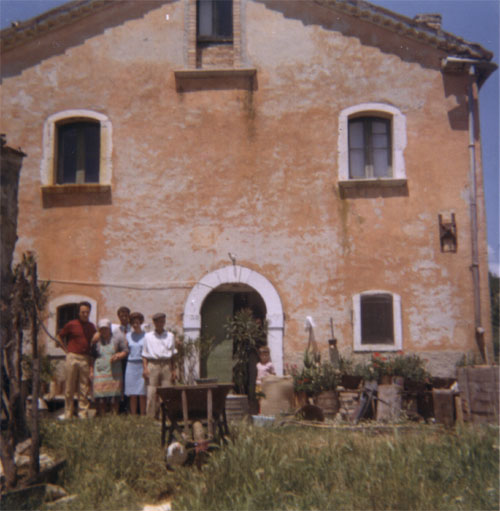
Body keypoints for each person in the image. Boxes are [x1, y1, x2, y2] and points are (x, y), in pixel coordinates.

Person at [56, 301, 97, 419]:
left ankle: (82, 413)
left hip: (85, 358)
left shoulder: (91, 326)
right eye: (83, 312)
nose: (85, 314)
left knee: (84, 387)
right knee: (69, 386)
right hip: (72, 356)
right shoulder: (71, 324)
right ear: (79, 313)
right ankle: (68, 413)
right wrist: (66, 350)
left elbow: (94, 340)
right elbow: (59, 336)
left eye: (87, 312)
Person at [142, 312, 177, 418]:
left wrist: (174, 370)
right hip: (153, 365)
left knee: (167, 391)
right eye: (158, 322)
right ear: (154, 323)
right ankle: (151, 417)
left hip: (166, 365)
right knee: (152, 392)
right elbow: (144, 354)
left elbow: (173, 354)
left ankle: (165, 417)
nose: (161, 324)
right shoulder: (148, 336)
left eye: (162, 321)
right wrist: (145, 368)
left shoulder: (170, 336)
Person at [91, 319, 129, 416]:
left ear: (109, 328)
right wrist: (92, 342)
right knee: (101, 395)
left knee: (115, 395)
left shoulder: (117, 338)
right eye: (102, 329)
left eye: (106, 329)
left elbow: (125, 350)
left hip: (114, 369)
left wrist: (118, 356)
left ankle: (114, 415)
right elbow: (92, 355)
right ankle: (102, 414)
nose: (104, 331)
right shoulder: (96, 340)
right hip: (100, 370)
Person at [124, 312, 147, 415]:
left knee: (142, 393)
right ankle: (133, 415)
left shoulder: (146, 335)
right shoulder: (128, 335)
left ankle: (142, 414)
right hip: (131, 365)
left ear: (141, 323)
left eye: (137, 322)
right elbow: (125, 349)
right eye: (133, 323)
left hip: (141, 365)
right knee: (132, 393)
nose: (135, 325)